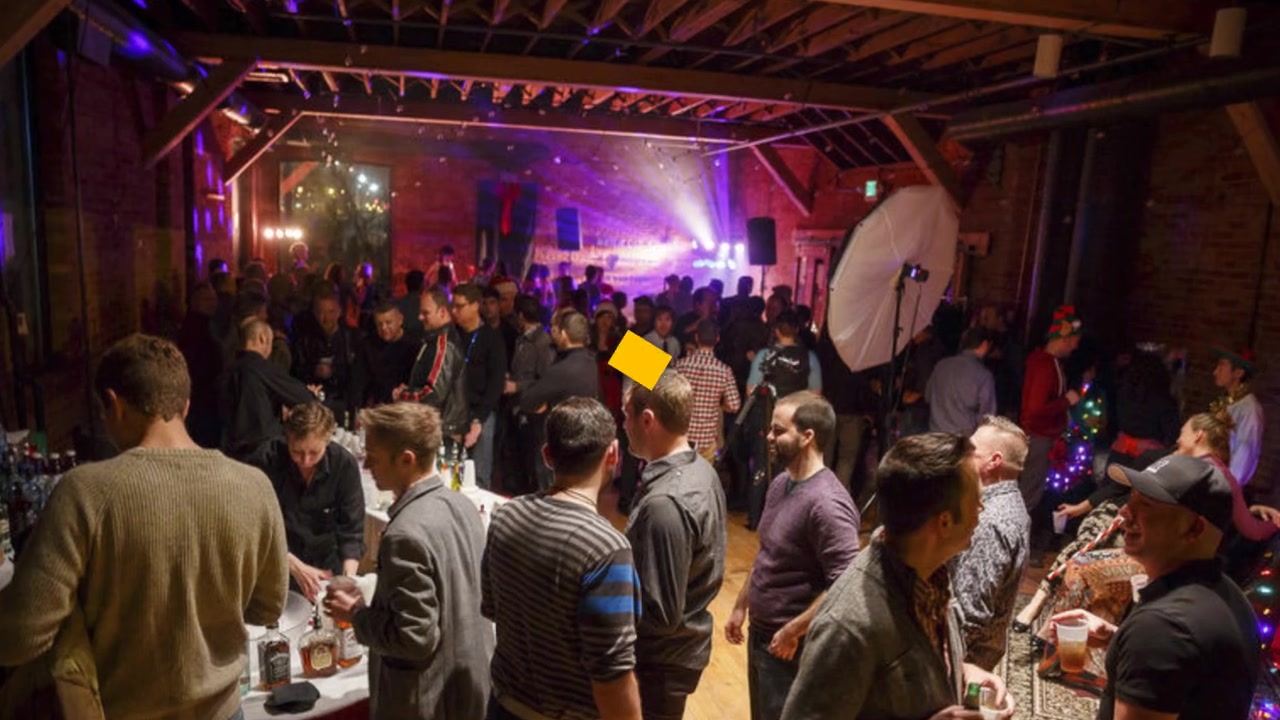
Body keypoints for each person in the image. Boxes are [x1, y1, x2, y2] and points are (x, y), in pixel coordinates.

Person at [0, 334, 289, 719]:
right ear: (185, 406)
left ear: (114, 404)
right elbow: (267, 606)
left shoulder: (84, 492)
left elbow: (18, 637)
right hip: (223, 711)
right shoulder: (255, 486)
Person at [780, 433, 1014, 720]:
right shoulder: (848, 627)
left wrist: (963, 672)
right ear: (944, 522)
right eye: (975, 501)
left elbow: (904, 676)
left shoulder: (931, 572)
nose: (981, 509)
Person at [1050, 455, 1260, 720]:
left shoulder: (1162, 628)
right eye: (1131, 498)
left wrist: (1143, 641)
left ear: (1194, 529)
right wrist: (1117, 639)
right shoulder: (1229, 593)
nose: (1124, 512)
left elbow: (1165, 641)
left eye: (1146, 505)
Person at [325, 402, 492, 720]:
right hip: (472, 689)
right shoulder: (463, 505)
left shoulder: (405, 533)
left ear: (406, 459)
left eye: (373, 457)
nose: (366, 465)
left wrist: (356, 615)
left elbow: (414, 639)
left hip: (431, 702)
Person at [482, 398, 644, 720]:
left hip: (501, 707)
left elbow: (493, 610)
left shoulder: (504, 517)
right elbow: (611, 676)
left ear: (547, 455)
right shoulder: (606, 549)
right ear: (613, 454)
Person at [725, 392, 860, 720]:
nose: (769, 437)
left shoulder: (828, 504)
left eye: (779, 431)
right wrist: (742, 605)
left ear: (807, 436)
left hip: (792, 649)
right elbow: (768, 552)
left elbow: (846, 586)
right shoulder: (781, 483)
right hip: (763, 635)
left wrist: (794, 630)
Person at [623, 370, 727, 720]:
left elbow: (661, 614)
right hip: (680, 651)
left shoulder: (664, 503)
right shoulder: (700, 467)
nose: (623, 425)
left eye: (626, 415)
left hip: (660, 663)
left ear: (647, 420)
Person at [246, 402, 364, 602]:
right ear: (288, 438)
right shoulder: (266, 459)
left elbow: (352, 531)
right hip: (277, 562)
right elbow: (251, 525)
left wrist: (348, 579)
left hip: (325, 565)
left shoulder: (344, 465)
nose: (306, 460)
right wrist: (293, 565)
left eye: (314, 453)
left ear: (328, 440)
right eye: (297, 452)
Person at [949, 416, 1031, 670]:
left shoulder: (988, 521)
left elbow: (970, 614)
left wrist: (944, 664)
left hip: (962, 661)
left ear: (993, 461)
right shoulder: (1012, 502)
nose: (961, 456)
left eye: (970, 450)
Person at [745, 311, 823, 530]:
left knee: (762, 464)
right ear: (797, 330)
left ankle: (755, 517)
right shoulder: (809, 357)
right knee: (790, 466)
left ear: (777, 331)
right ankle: (783, 518)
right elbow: (816, 393)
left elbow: (751, 390)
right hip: (795, 420)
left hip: (766, 417)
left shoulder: (765, 355)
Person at [219, 318, 319, 459]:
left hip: (229, 452)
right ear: (262, 338)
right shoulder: (264, 369)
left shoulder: (227, 371)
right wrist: (311, 394)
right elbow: (305, 399)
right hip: (262, 453)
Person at [1020, 305, 1083, 517]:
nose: (1075, 347)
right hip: (1038, 437)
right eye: (1074, 341)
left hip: (1040, 436)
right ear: (1064, 339)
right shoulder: (1045, 366)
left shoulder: (1047, 363)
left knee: (1030, 491)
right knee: (1029, 493)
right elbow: (1035, 409)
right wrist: (1066, 401)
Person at [450, 283, 507, 489]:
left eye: (459, 306)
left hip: (482, 412)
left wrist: (479, 419)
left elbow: (496, 383)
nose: (454, 311)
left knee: (478, 476)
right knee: (451, 469)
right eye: (453, 306)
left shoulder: (491, 338)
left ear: (475, 306)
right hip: (455, 411)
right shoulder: (452, 335)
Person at [399, 286, 469, 445]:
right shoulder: (434, 341)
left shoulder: (444, 345)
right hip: (438, 428)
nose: (420, 317)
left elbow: (435, 393)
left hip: (443, 432)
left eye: (426, 313)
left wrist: (404, 396)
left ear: (443, 312)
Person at [504, 295, 556, 494]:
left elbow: (546, 378)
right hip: (520, 406)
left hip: (535, 409)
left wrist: (517, 386)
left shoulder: (542, 342)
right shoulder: (522, 338)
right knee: (522, 457)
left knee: (536, 460)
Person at [291, 288, 365, 425]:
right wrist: (314, 370)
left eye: (330, 312)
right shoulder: (305, 340)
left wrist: (335, 370)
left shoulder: (353, 338)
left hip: (345, 403)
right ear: (314, 313)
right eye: (320, 312)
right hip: (315, 407)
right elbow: (296, 372)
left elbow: (360, 374)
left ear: (339, 312)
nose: (325, 318)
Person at [672, 319, 741, 463]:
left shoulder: (680, 365)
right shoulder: (723, 370)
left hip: (682, 437)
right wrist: (719, 404)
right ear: (717, 339)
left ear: (696, 337)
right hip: (707, 440)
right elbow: (734, 405)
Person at [926, 327, 997, 435]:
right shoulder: (984, 375)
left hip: (937, 435)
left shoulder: (941, 365)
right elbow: (987, 418)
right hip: (964, 438)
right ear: (984, 345)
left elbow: (928, 396)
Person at [1210, 347, 1264, 485]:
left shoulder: (1249, 409)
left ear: (1238, 372)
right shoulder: (1226, 402)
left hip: (1222, 484)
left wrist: (1227, 485)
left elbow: (1245, 454)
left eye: (1222, 366)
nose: (1215, 371)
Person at [361, 302, 421, 406]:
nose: (384, 328)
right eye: (379, 324)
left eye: (388, 322)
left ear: (400, 320)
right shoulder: (369, 345)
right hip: (379, 406)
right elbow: (360, 381)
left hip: (407, 406)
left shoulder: (415, 346)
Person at [398, 268, 427, 337]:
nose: (427, 285)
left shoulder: (398, 304)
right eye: (425, 282)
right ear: (421, 285)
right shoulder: (426, 305)